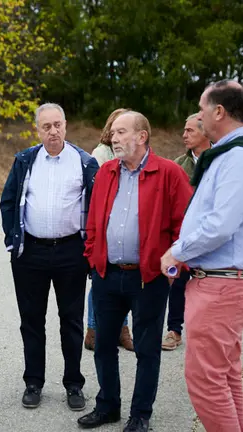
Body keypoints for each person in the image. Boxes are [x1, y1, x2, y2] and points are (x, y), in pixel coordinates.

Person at [161, 80, 243, 432]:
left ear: (218, 111)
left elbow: (220, 225)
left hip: (223, 285)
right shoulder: (231, 153)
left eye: (202, 109)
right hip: (224, 282)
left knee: (205, 381)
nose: (198, 117)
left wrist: (176, 251)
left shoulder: (240, 158)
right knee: (225, 373)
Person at [79, 111, 192, 432]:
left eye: (121, 132)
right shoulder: (106, 172)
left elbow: (185, 226)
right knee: (103, 345)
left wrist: (172, 267)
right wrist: (93, 258)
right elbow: (93, 220)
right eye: (112, 133)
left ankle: (140, 414)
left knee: (146, 349)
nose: (113, 138)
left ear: (142, 137)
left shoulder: (169, 173)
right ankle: (107, 407)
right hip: (107, 275)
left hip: (149, 279)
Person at [0, 103, 99, 411]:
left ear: (65, 125)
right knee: (31, 320)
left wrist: (90, 250)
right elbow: (8, 202)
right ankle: (33, 382)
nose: (53, 131)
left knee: (71, 320)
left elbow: (97, 207)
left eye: (57, 125)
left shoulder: (85, 162)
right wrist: (13, 239)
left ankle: (74, 383)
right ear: (37, 129)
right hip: (31, 252)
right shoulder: (25, 160)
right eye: (46, 126)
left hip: (71, 252)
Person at [162, 113, 212, 351]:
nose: (184, 135)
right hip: (183, 235)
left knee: (208, 284)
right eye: (184, 130)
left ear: (206, 132)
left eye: (190, 130)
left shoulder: (220, 161)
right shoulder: (178, 165)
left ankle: (207, 331)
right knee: (178, 282)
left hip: (212, 235)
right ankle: (174, 330)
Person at [86, 108, 133, 352]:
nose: (118, 136)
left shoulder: (133, 152)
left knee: (123, 282)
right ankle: (93, 329)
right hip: (107, 223)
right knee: (101, 279)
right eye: (116, 130)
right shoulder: (101, 154)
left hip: (126, 222)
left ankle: (122, 329)